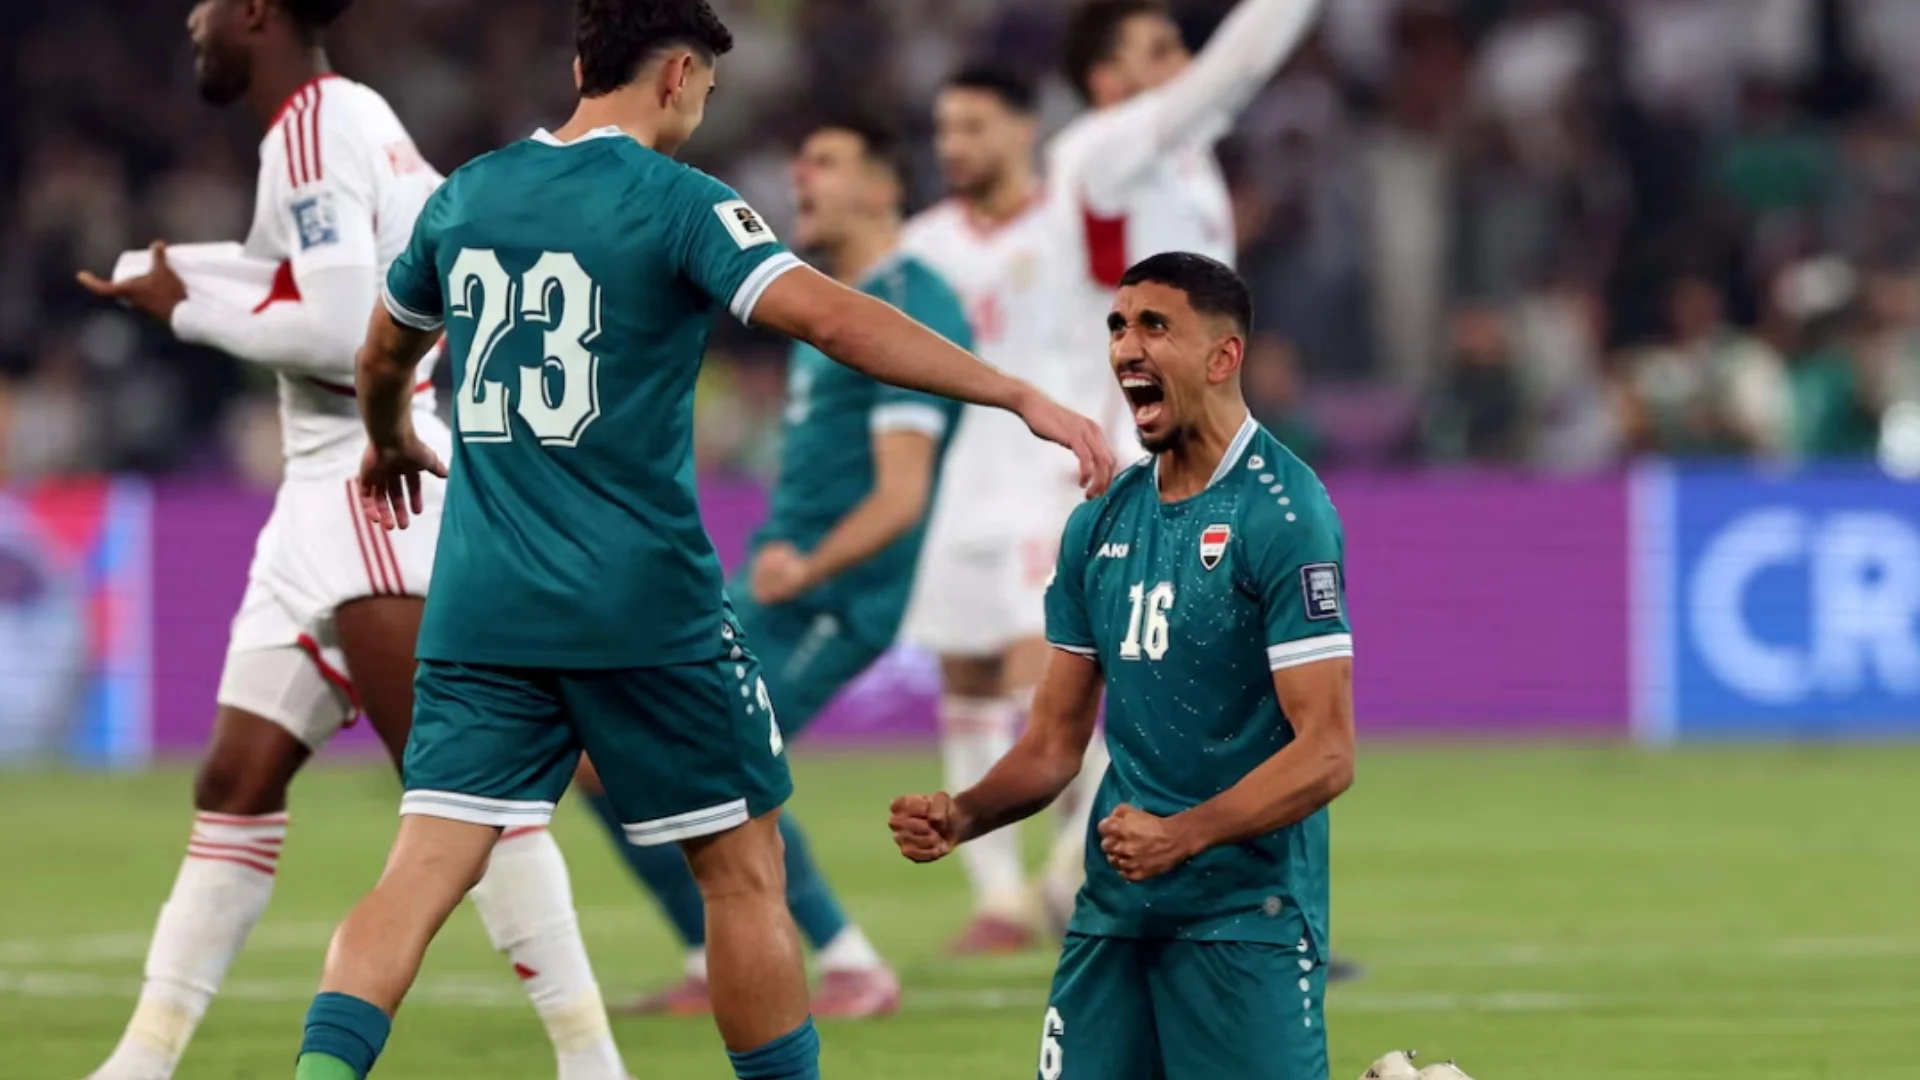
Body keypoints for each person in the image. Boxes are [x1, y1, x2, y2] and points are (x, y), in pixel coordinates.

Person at [291, 2, 1114, 1079]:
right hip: (642, 607)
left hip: (483, 605)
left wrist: (392, 436)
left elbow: (381, 354)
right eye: (707, 91)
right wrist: (1014, 393)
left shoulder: (469, 195)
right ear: (676, 76)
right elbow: (832, 318)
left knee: (420, 870)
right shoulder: (679, 202)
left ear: (582, 64)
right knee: (741, 870)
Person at [75, 3, 627, 1079]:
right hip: (320, 495)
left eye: (207, 5)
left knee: (460, 790)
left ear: (255, 13)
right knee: (235, 779)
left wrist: (185, 311)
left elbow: (340, 330)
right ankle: (139, 1063)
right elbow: (326, 280)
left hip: (373, 482)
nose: (191, 21)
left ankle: (593, 1062)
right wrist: (178, 271)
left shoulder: (313, 129)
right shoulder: (350, 117)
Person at [889, 253, 1357, 1080]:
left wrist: (1182, 835)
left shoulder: (1284, 515)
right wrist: (962, 815)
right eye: (1117, 327)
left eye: (1154, 327)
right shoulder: (1100, 522)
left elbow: (1327, 752)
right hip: (1113, 916)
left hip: (1244, 920)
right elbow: (1052, 747)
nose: (1126, 348)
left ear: (1223, 356)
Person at [591, 116, 970, 1019]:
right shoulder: (826, 302)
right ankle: (707, 958)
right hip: (771, 586)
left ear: (884, 188)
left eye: (826, 162)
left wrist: (809, 569)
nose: (800, 176)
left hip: (833, 599)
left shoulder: (908, 304)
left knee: (723, 762)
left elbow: (902, 494)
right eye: (799, 161)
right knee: (601, 755)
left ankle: (851, 965)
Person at [897, 63, 1058, 954]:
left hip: (1048, 481)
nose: (954, 146)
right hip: (955, 491)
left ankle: (1071, 877)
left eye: (973, 127)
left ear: (1024, 129)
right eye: (945, 129)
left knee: (1049, 683)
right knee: (966, 682)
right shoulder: (921, 246)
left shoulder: (1072, 228)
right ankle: (999, 899)